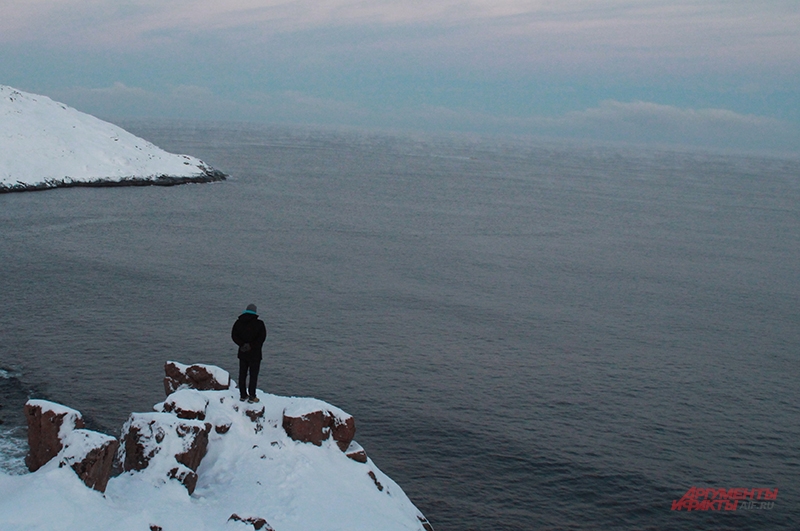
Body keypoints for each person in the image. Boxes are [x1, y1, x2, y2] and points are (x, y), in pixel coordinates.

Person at [231, 303, 267, 403]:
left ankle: (243, 395)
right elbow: (262, 338)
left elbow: (234, 335)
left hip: (243, 353)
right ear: (255, 311)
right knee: (253, 375)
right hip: (255, 354)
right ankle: (252, 396)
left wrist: (242, 344)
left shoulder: (238, 322)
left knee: (242, 374)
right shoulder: (259, 324)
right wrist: (251, 345)